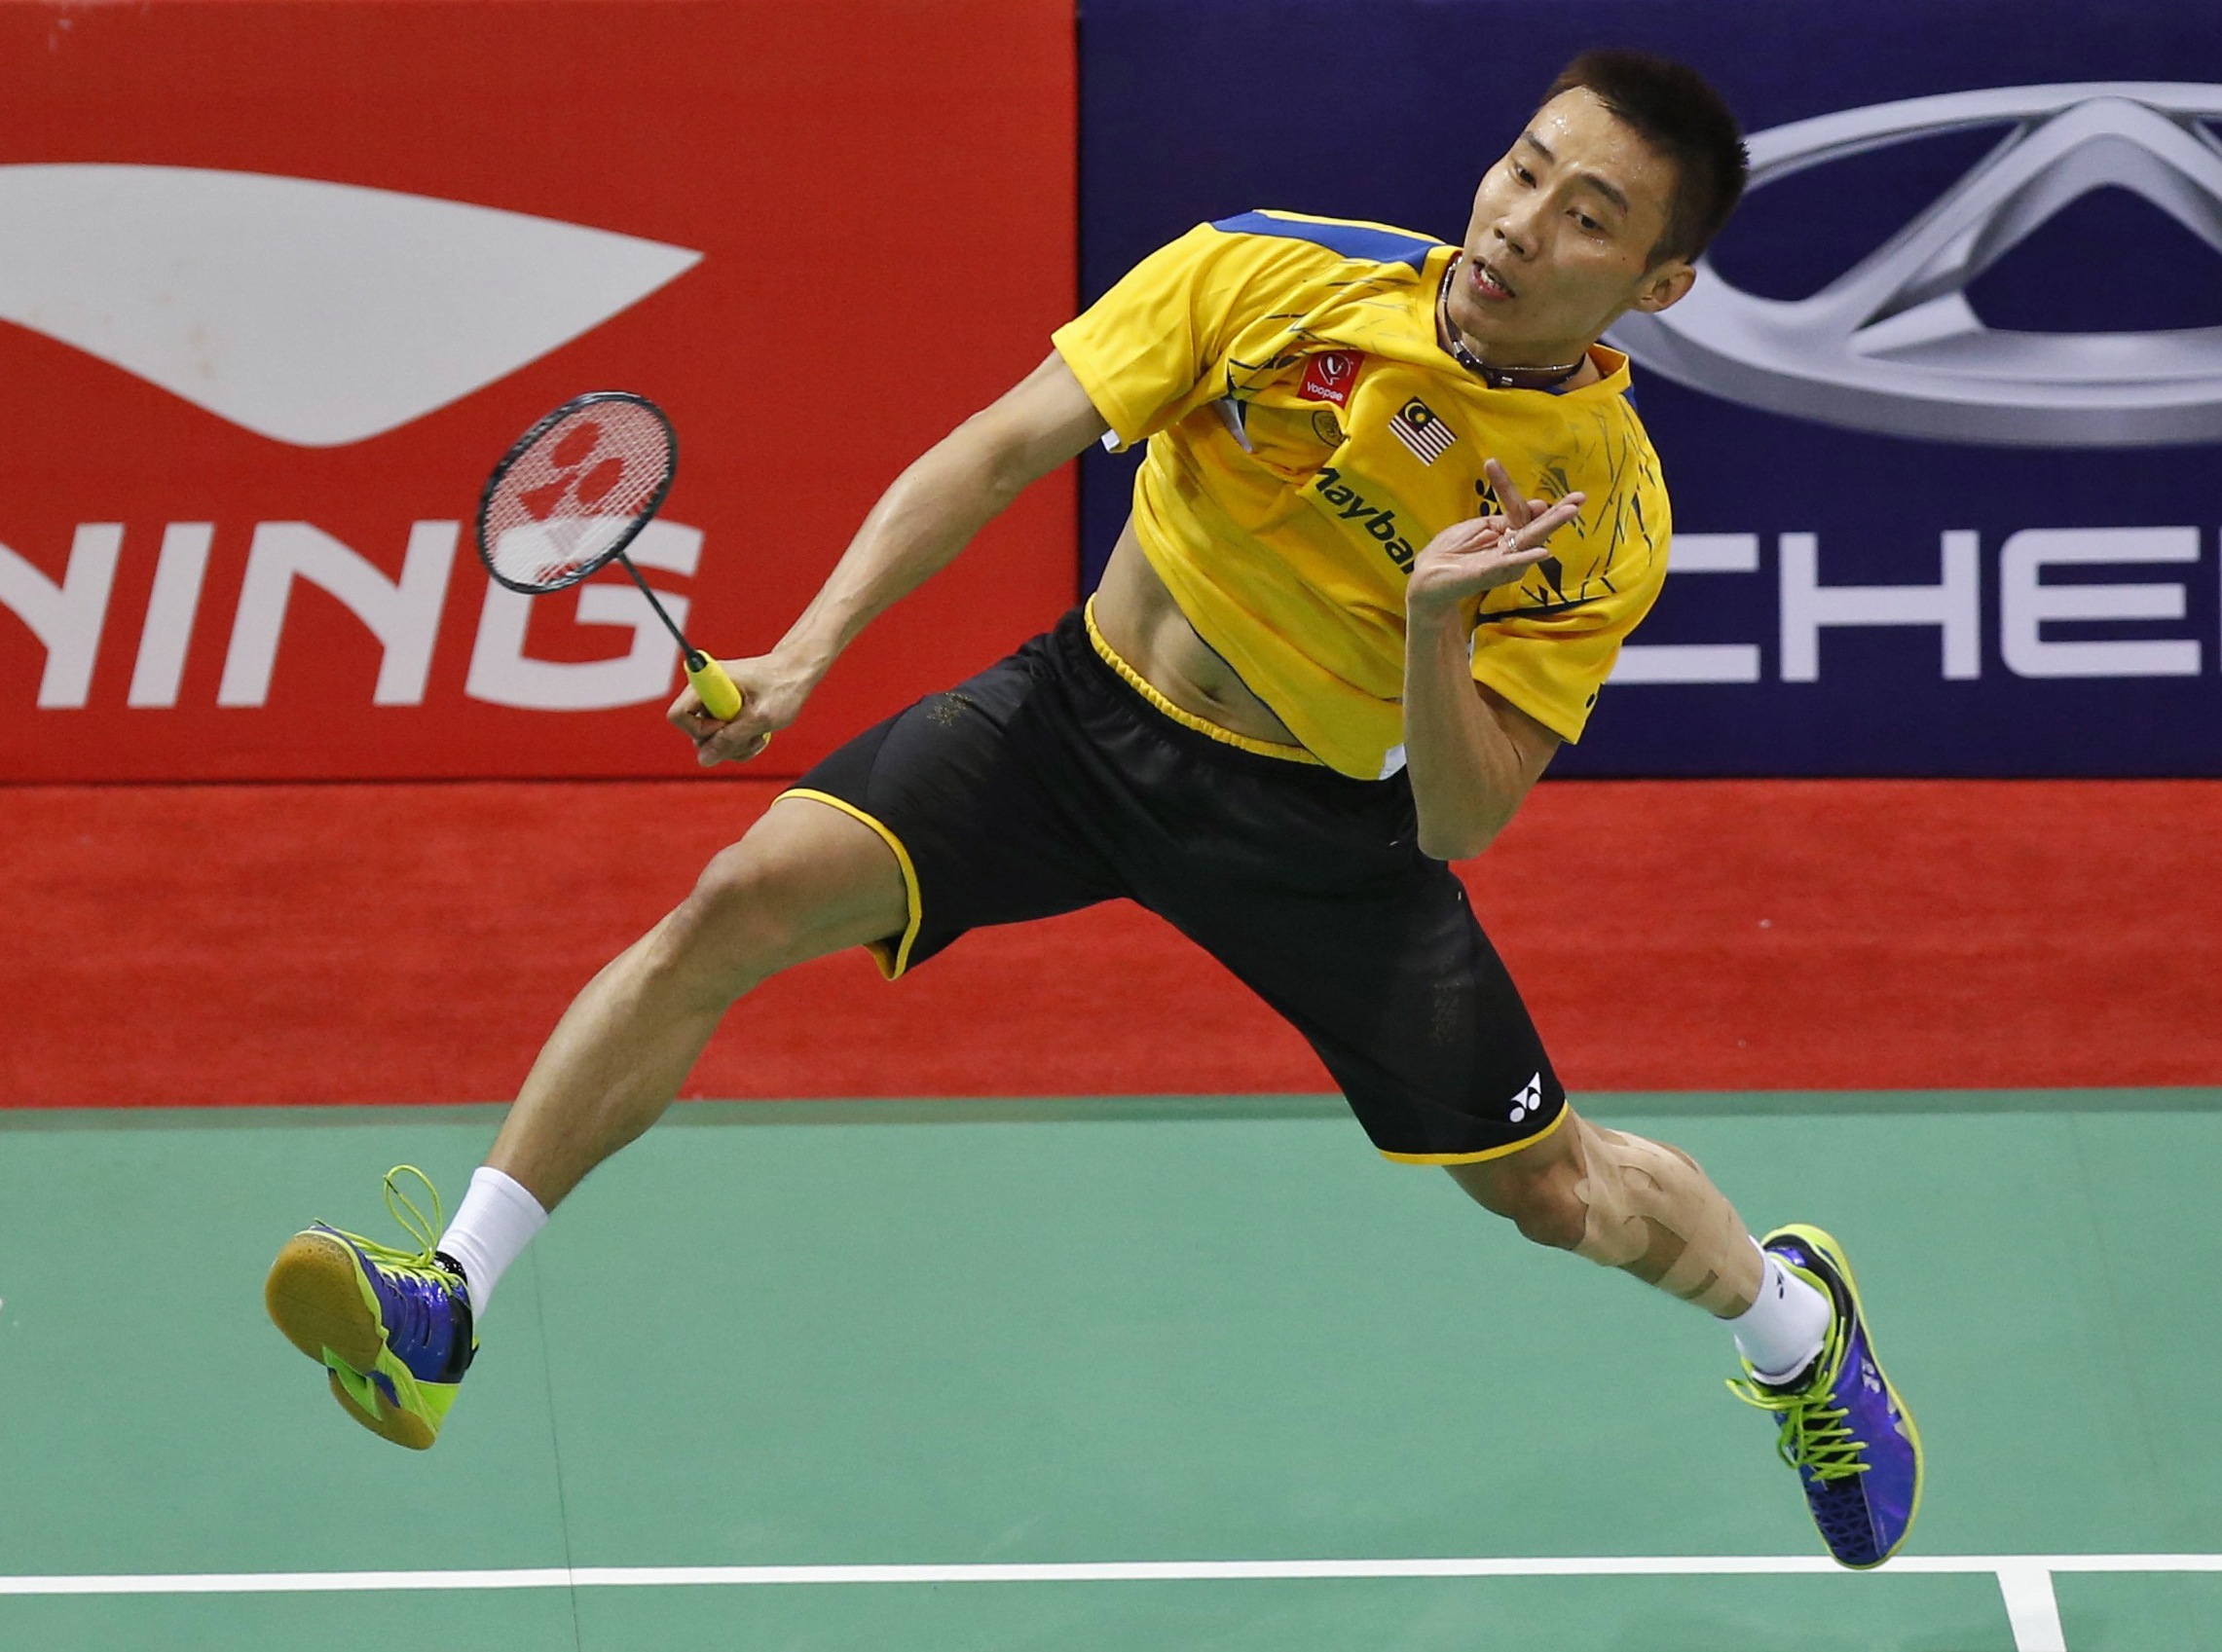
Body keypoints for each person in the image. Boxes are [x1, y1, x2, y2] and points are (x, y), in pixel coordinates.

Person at [265, 47, 1920, 1570]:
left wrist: (1433, 619)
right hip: (1072, 721)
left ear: (1657, 283)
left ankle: (1792, 1324)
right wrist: (805, 654)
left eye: (1587, 216)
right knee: (728, 906)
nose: (1516, 222)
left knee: (1551, 1194)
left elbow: (1462, 820)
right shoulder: (1277, 272)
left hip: (1320, 830)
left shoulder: (1605, 517)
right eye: (1521, 168)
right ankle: (445, 1304)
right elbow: (1003, 449)